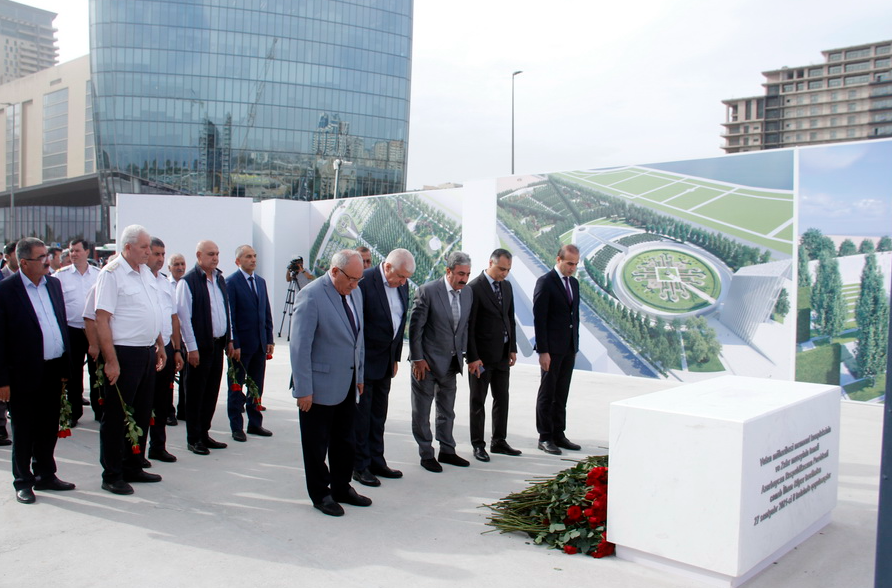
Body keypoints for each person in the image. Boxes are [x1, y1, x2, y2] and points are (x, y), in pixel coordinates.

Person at [291, 249, 370, 517]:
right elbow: (300, 347)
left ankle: (341, 486)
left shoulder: (354, 292)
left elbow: (357, 339)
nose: (355, 284)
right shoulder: (311, 295)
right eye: (351, 279)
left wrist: (359, 376)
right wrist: (304, 389)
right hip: (318, 386)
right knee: (316, 445)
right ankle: (320, 493)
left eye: (359, 279)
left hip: (347, 382)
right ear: (334, 271)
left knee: (344, 440)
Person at [0, 238, 75, 504]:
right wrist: (3, 380)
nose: (47, 260)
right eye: (41, 257)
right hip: (23, 372)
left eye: (47, 255)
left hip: (53, 368)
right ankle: (23, 481)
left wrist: (66, 365)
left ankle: (46, 474)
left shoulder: (53, 284)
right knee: (23, 429)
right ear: (23, 262)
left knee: (47, 425)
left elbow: (60, 324)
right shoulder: (6, 290)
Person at [94, 224, 166, 495]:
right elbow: (102, 319)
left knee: (142, 411)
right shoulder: (112, 275)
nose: (149, 252)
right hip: (124, 353)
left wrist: (159, 344)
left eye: (149, 247)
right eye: (145, 247)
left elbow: (153, 311)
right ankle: (112, 473)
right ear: (127, 248)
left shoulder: (145, 273)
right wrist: (111, 361)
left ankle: (133, 464)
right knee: (117, 415)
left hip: (147, 351)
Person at [352, 248, 414, 487]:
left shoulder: (402, 284)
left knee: (379, 416)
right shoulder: (365, 282)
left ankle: (377, 460)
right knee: (362, 417)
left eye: (406, 278)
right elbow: (357, 326)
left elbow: (399, 323)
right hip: (365, 363)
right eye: (400, 276)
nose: (403, 282)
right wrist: (358, 364)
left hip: (386, 362)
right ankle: (360, 466)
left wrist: (395, 357)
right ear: (387, 267)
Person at [408, 251, 473, 473]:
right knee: (422, 411)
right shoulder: (427, 292)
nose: (464, 279)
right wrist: (417, 359)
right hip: (425, 365)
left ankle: (447, 450)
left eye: (467, 274)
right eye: (460, 274)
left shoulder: (468, 293)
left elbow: (463, 328)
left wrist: (465, 355)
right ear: (448, 271)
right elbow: (415, 329)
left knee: (447, 410)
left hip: (452, 363)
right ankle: (426, 454)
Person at [176, 240, 233, 455]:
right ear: (199, 255)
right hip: (199, 347)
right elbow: (184, 318)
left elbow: (226, 311)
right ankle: (193, 438)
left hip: (217, 345)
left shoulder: (219, 280)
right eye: (211, 254)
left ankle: (205, 433)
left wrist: (230, 340)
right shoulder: (188, 282)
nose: (215, 258)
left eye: (217, 253)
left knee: (211, 392)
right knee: (196, 394)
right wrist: (191, 348)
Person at [465, 248, 522, 462]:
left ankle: (499, 440)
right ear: (490, 262)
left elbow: (510, 319)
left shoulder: (506, 287)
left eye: (508, 270)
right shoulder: (475, 288)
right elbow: (469, 327)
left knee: (502, 398)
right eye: (501, 269)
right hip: (481, 358)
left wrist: (512, 348)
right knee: (478, 401)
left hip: (502, 356)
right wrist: (472, 357)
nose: (504, 274)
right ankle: (478, 445)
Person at [533, 244, 582, 455]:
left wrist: (574, 344)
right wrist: (543, 351)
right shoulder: (545, 282)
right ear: (558, 259)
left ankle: (558, 434)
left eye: (576, 264)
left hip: (568, 347)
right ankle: (544, 437)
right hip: (551, 350)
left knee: (562, 392)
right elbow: (539, 319)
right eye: (569, 263)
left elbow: (574, 316)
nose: (572, 268)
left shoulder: (575, 284)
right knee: (548, 392)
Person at [226, 244, 274, 442]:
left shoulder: (261, 282)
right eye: (248, 257)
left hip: (259, 344)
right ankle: (237, 426)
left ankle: (255, 423)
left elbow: (266, 312)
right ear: (238, 261)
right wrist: (234, 342)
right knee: (236, 386)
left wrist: (269, 338)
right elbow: (231, 317)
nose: (253, 259)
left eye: (254, 256)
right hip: (241, 346)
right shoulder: (231, 282)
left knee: (256, 386)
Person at [53, 239, 101, 426]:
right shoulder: (61, 276)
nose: (73, 254)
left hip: (93, 330)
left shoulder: (97, 275)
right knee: (73, 373)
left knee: (96, 372)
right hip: (72, 329)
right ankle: (74, 412)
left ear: (87, 252)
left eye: (77, 250)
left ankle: (99, 408)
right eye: (71, 251)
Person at [146, 238, 184, 463]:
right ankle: (135, 453)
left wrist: (177, 350)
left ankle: (158, 446)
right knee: (143, 402)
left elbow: (173, 318)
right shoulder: (140, 281)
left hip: (167, 347)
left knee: (162, 400)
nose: (160, 259)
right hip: (145, 348)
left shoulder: (165, 283)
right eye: (156, 254)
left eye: (163, 254)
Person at [166, 253, 187, 424]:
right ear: (169, 268)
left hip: (186, 338)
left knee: (187, 376)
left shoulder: (188, 284)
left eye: (182, 264)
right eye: (176, 264)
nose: (180, 267)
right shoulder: (165, 285)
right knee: (169, 377)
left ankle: (184, 409)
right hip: (170, 338)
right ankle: (168, 411)